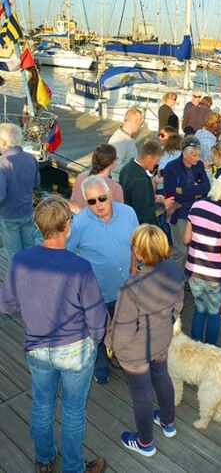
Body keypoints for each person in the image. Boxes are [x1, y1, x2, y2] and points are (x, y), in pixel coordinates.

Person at [0, 195, 107, 473]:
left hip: (36, 348)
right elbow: (96, 317)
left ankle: (44, 460)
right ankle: (73, 468)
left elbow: (7, 304)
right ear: (67, 226)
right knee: (72, 410)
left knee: (42, 404)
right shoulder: (80, 266)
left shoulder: (21, 260)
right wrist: (96, 339)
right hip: (75, 350)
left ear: (38, 225)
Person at [107, 224, 184, 458]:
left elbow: (122, 331)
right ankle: (168, 423)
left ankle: (145, 442)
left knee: (141, 393)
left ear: (138, 253)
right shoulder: (174, 270)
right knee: (162, 376)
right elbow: (177, 306)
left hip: (135, 352)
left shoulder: (130, 288)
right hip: (161, 340)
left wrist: (110, 345)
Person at [67, 175, 139, 384]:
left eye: (101, 198)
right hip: (96, 291)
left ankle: (120, 354)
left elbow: (135, 243)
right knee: (97, 330)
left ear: (109, 194)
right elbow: (68, 255)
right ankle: (101, 361)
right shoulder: (79, 223)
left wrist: (134, 268)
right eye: (91, 201)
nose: (98, 204)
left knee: (124, 326)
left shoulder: (128, 213)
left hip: (125, 286)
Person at [184, 172, 221, 345]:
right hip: (215, 274)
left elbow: (186, 239)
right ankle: (210, 352)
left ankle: (195, 349)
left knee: (199, 310)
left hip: (194, 269)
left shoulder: (197, 205)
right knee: (213, 313)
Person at [164, 136, 211, 268]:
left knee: (191, 249)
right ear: (184, 154)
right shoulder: (171, 167)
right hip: (178, 213)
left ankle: (184, 278)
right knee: (181, 250)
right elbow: (171, 192)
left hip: (195, 213)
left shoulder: (199, 166)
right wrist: (195, 193)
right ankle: (173, 280)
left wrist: (183, 191)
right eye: (194, 155)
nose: (197, 158)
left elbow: (206, 188)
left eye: (198, 155)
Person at [0, 123, 40, 259]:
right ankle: (34, 274)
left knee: (14, 253)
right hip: (27, 211)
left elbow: (1, 194)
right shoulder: (31, 159)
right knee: (30, 247)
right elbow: (36, 183)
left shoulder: (1, 163)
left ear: (3, 142)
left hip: (9, 215)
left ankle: (19, 278)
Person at [119, 140, 174, 225]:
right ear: (149, 157)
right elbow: (144, 213)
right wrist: (164, 205)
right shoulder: (140, 179)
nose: (157, 164)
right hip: (142, 228)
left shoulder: (126, 168)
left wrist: (151, 197)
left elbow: (133, 196)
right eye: (157, 160)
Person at [70, 144, 124, 212]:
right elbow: (120, 215)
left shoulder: (80, 177)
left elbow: (72, 204)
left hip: (77, 220)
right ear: (113, 162)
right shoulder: (116, 188)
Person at [108, 108, 143, 181]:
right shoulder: (119, 140)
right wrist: (136, 168)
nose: (140, 126)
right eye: (140, 123)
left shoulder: (127, 137)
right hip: (120, 183)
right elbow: (115, 166)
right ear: (135, 122)